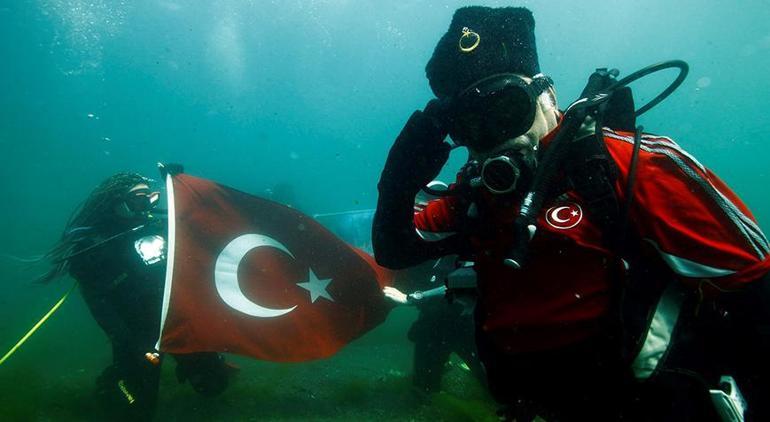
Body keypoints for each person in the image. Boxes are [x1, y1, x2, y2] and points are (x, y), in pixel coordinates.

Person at [372, 6, 770, 421]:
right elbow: (395, 249)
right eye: (472, 125)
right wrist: (400, 176)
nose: (495, 137)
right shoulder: (476, 196)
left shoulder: (634, 167)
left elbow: (755, 288)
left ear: (546, 96)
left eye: (508, 110)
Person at [39, 171, 232, 420]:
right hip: (136, 332)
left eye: (152, 198)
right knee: (136, 411)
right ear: (117, 202)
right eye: (139, 199)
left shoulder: (162, 227)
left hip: (176, 321)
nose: (148, 206)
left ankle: (196, 368)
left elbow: (201, 236)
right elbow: (98, 301)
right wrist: (127, 343)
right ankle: (113, 381)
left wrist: (182, 187)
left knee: (214, 384)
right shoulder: (95, 245)